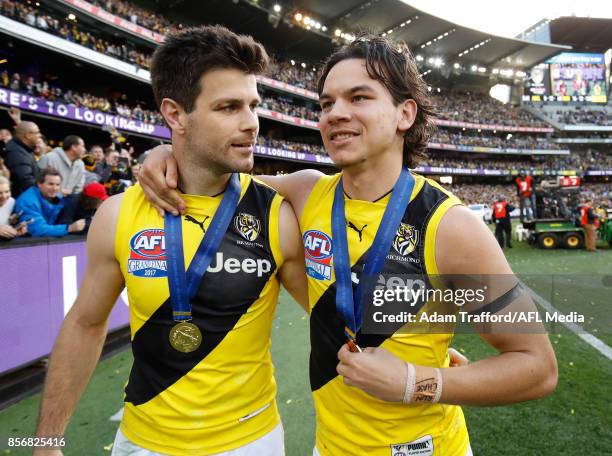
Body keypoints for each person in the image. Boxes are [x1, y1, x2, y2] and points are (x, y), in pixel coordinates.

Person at [140, 33, 558, 455]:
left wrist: (417, 382)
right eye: (326, 103)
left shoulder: (450, 227)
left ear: (404, 114)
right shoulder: (305, 194)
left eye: (359, 98)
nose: (335, 113)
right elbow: (209, 174)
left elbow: (536, 367)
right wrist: (161, 155)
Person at [34, 25, 308, 456]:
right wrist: (45, 442)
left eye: (253, 105)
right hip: (141, 443)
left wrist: (428, 361)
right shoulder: (118, 215)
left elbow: (333, 314)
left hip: (250, 442)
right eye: (228, 107)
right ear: (176, 115)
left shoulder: (277, 215)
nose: (252, 123)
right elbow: (86, 325)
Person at [14, 167, 85, 237]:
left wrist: (69, 198)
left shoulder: (59, 196)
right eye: (50, 184)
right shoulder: (28, 202)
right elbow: (38, 230)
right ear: (39, 184)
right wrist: (69, 228)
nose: (54, 188)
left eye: (57, 185)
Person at [3, 120, 42, 197]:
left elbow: (35, 171)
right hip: (22, 200)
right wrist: (46, 190)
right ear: (28, 135)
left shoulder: (26, 149)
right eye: (37, 132)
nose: (39, 135)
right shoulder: (16, 152)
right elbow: (26, 181)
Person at [0, 175, 27, 239]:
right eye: (0, 193)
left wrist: (16, 229)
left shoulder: (11, 201)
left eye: (7, 191)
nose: (4, 196)